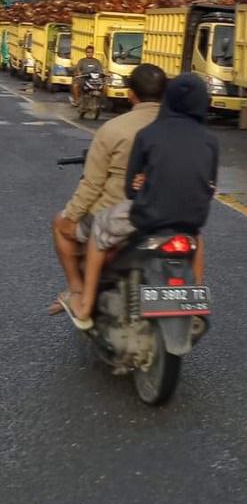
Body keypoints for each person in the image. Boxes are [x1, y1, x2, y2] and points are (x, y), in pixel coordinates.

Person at [72, 73, 219, 327]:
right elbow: (209, 186)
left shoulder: (149, 134)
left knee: (98, 229)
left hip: (148, 218)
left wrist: (144, 184)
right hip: (190, 222)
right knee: (197, 241)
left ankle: (85, 303)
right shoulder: (211, 141)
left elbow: (130, 190)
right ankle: (193, 299)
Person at [52, 63, 167, 322]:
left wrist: (72, 216)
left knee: (61, 225)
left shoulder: (114, 129)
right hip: (169, 215)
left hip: (119, 214)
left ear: (130, 94)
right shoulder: (178, 129)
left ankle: (79, 293)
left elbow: (92, 185)